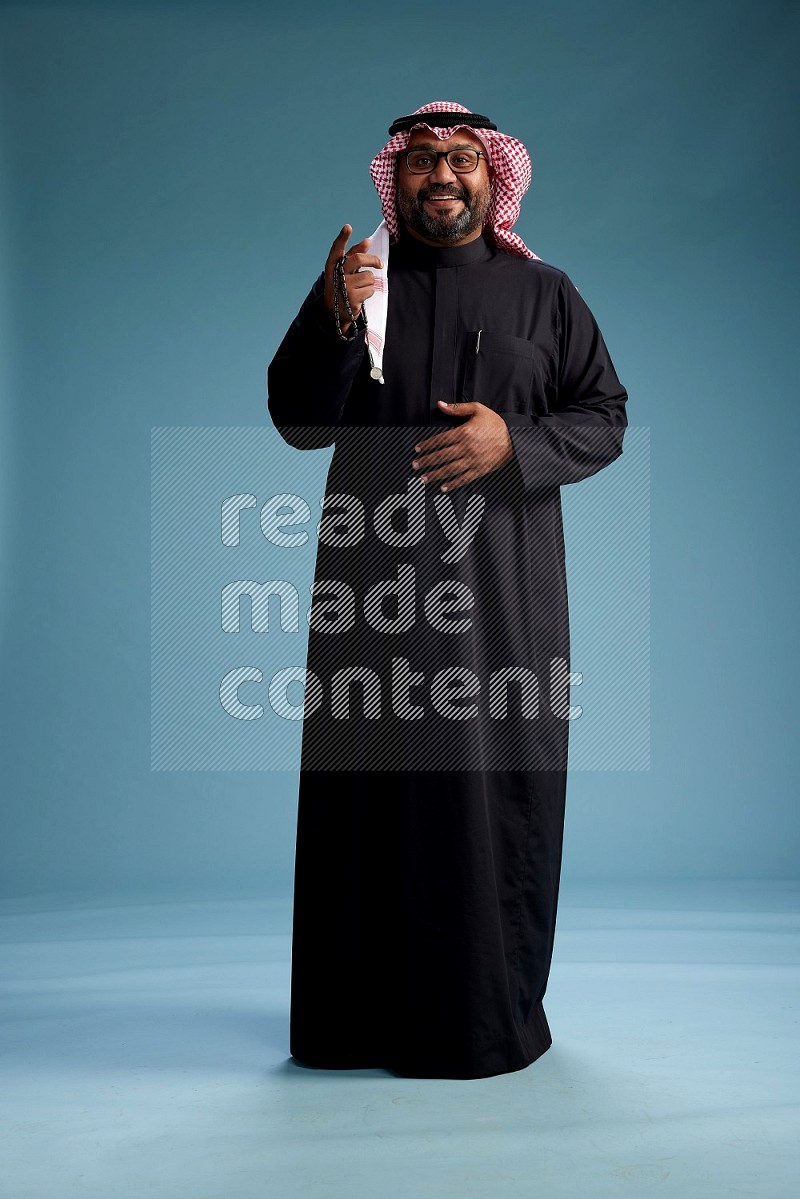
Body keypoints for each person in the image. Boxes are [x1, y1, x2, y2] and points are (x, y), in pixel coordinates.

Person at [267, 101, 628, 1080]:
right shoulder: (359, 287)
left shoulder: (544, 294)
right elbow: (298, 421)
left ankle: (479, 1016)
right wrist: (335, 318)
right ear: (397, 177)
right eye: (422, 160)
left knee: (483, 798)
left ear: (490, 177)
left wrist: (516, 441)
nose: (441, 176)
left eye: (461, 159)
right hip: (369, 598)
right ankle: (353, 1019)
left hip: (500, 602)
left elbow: (602, 414)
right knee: (363, 796)